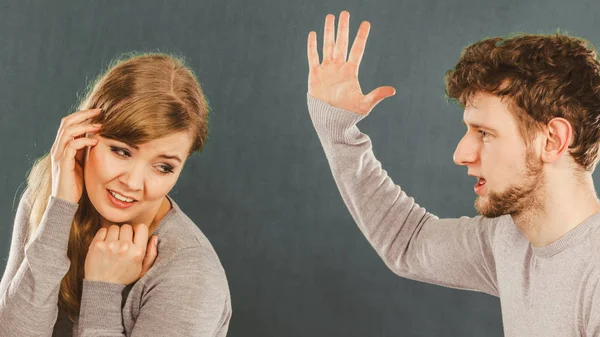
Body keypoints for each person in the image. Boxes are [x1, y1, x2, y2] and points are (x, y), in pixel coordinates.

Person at [306, 10, 600, 336]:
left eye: (484, 133)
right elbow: (408, 243)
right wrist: (338, 132)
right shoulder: (508, 241)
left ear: (552, 140)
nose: (461, 154)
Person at [0, 53, 232, 336]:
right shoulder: (48, 200)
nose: (133, 182)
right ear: (84, 135)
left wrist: (103, 290)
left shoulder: (190, 272)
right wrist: (58, 210)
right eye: (122, 151)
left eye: (163, 167)